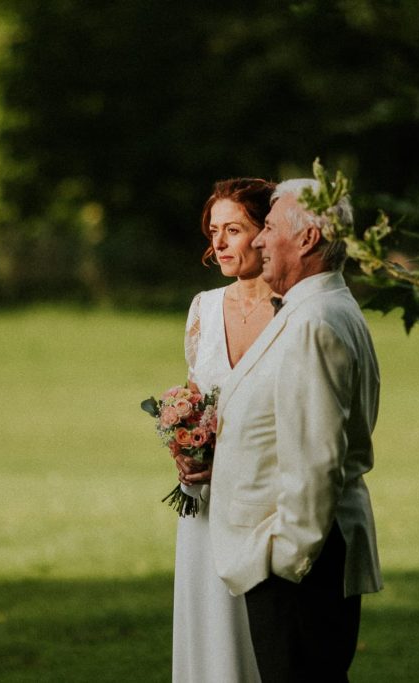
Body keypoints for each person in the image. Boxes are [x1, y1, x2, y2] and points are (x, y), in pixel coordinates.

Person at [208, 178, 383, 682]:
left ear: (307, 239)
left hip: (301, 565)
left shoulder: (315, 322)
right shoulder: (320, 310)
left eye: (269, 227)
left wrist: (286, 559)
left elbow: (317, 458)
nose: (259, 241)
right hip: (303, 560)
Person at [171, 177, 276, 683]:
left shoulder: (293, 311)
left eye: (234, 229)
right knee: (209, 632)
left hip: (265, 502)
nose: (219, 243)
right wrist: (183, 443)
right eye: (215, 231)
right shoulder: (203, 309)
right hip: (205, 505)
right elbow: (196, 399)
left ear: (267, 232)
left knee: (267, 641)